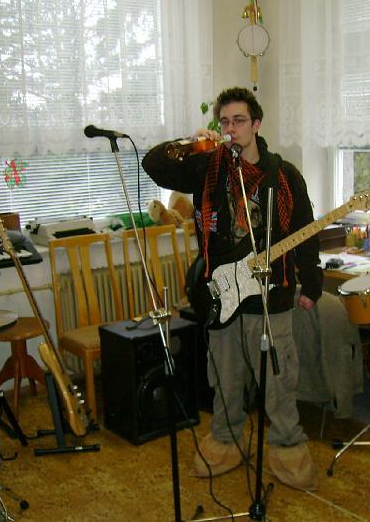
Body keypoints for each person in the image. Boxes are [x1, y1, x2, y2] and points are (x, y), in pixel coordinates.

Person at [142, 87, 322, 491]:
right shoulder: (208, 168)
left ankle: (287, 446)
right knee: (223, 377)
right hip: (220, 294)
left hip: (271, 296)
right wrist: (191, 144)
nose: (231, 128)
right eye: (224, 121)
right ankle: (225, 439)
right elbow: (152, 164)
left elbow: (306, 234)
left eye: (239, 120)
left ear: (256, 124)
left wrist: (312, 284)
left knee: (278, 381)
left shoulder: (284, 175)